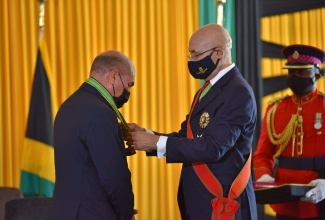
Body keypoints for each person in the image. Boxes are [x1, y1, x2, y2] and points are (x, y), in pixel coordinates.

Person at [125, 24, 258, 220]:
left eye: (196, 55)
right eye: (190, 56)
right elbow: (186, 137)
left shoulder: (237, 91)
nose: (192, 61)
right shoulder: (207, 90)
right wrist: (148, 135)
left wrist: (154, 142)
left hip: (224, 204)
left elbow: (214, 147)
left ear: (219, 53)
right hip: (201, 202)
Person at [47, 50, 137, 220]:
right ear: (113, 77)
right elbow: (115, 178)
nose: (128, 91)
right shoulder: (101, 113)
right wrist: (125, 213)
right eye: (129, 84)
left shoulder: (69, 105)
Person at [253, 44, 325, 219]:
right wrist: (264, 176)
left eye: (301, 72)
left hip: (318, 193)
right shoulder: (275, 109)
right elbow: (262, 154)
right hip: (284, 197)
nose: (295, 77)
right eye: (291, 72)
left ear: (317, 73)